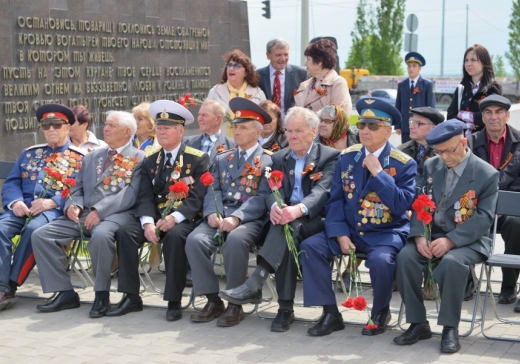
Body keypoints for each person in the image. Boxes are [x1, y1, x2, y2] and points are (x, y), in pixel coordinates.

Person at [299, 99, 417, 337]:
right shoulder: (346, 158)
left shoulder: (404, 163)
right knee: (310, 247)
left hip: (384, 233)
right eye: (362, 124)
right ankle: (331, 312)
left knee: (382, 261)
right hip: (350, 231)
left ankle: (381, 311)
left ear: (388, 130)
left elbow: (401, 204)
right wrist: (339, 233)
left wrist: (378, 173)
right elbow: (335, 200)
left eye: (373, 126)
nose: (364, 130)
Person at [219, 106, 339, 332]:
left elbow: (322, 192)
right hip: (286, 220)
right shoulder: (280, 157)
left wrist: (295, 210)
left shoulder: (329, 157)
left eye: (298, 131)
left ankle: (276, 300)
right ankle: (281, 307)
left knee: (287, 226)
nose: (291, 136)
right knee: (284, 230)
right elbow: (267, 191)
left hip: (316, 219)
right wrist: (275, 206)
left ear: (313, 132)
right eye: (289, 131)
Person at [394, 119, 499, 353]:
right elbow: (421, 205)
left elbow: (483, 218)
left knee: (451, 263)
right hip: (433, 234)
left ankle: (450, 327)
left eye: (449, 151)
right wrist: (420, 236)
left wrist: (451, 241)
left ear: (463, 142)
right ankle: (418, 322)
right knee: (406, 258)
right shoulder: (432, 166)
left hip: (468, 240)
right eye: (438, 151)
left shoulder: (486, 173)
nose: (444, 157)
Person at [31, 110, 145, 317]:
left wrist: (99, 211)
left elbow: (130, 194)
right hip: (84, 213)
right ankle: (65, 292)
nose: (105, 129)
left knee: (101, 236)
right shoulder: (93, 156)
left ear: (127, 131)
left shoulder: (139, 158)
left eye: (111, 125)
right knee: (41, 235)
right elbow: (77, 186)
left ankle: (101, 295)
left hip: (117, 215)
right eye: (106, 124)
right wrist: (73, 205)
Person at [106, 100, 209, 322]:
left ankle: (173, 301)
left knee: (174, 237)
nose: (162, 132)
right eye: (159, 127)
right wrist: (147, 223)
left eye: (168, 128)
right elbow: (144, 195)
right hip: (155, 218)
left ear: (180, 131)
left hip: (183, 219)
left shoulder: (197, 159)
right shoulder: (150, 160)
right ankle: (131, 296)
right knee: (125, 232)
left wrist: (173, 218)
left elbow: (197, 198)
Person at [186, 98, 273, 327]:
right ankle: (213, 300)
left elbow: (262, 197)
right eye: (236, 127)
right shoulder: (224, 158)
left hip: (248, 218)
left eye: (244, 128)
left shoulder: (267, 161)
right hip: (220, 212)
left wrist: (237, 217)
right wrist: (212, 212)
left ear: (257, 132)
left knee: (235, 240)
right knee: (195, 240)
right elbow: (212, 187)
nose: (238, 132)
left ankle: (235, 303)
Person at [0, 104, 85, 310]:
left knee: (33, 230)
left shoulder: (80, 158)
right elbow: (12, 182)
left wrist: (54, 201)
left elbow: (81, 189)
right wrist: (16, 201)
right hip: (22, 207)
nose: (51, 130)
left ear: (67, 127)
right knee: (1, 229)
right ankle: (1, 284)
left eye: (56, 125)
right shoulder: (29, 153)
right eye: (46, 126)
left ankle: (10, 286)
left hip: (52, 211)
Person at [469, 94, 520, 311]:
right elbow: (466, 178)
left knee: (517, 225)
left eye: (499, 112)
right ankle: (466, 281)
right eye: (488, 112)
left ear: (508, 115)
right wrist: (486, 205)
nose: (493, 117)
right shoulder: (470, 143)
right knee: (459, 220)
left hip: (508, 210)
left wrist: (500, 205)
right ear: (482, 117)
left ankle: (508, 285)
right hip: (477, 207)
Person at [207, 49, 266, 137]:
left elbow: (263, 123)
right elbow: (206, 119)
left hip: (248, 144)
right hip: (221, 145)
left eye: (236, 66)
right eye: (229, 65)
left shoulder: (258, 94)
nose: (231, 68)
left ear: (246, 72)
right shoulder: (215, 92)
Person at [447, 44, 502, 136]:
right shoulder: (461, 88)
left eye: (473, 60)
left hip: (483, 142)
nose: (469, 64)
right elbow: (450, 116)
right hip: (461, 142)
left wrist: (462, 115)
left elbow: (490, 116)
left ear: (484, 63)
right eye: (466, 60)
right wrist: (467, 124)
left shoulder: (493, 88)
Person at [294, 38, 352, 117]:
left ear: (319, 61)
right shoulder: (304, 85)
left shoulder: (338, 83)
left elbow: (340, 119)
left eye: (308, 59)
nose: (305, 64)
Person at [256, 38, 308, 118]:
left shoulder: (301, 73)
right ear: (268, 55)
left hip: (291, 125)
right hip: (267, 125)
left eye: (286, 54)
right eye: (278, 55)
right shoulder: (257, 75)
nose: (283, 59)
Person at [398, 107, 445, 191]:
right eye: (411, 121)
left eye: (418, 123)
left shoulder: (444, 152)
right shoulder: (401, 151)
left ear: (434, 128)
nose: (411, 127)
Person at [395, 52, 436, 143]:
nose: (411, 69)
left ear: (420, 68)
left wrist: (431, 126)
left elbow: (431, 108)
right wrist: (398, 125)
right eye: (409, 66)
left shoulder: (427, 85)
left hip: (421, 127)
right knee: (406, 153)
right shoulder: (402, 85)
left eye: (414, 66)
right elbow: (398, 105)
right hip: (406, 127)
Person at [184, 99, 235, 167]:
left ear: (218, 119)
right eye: (199, 115)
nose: (199, 118)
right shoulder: (186, 142)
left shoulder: (232, 146)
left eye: (204, 115)